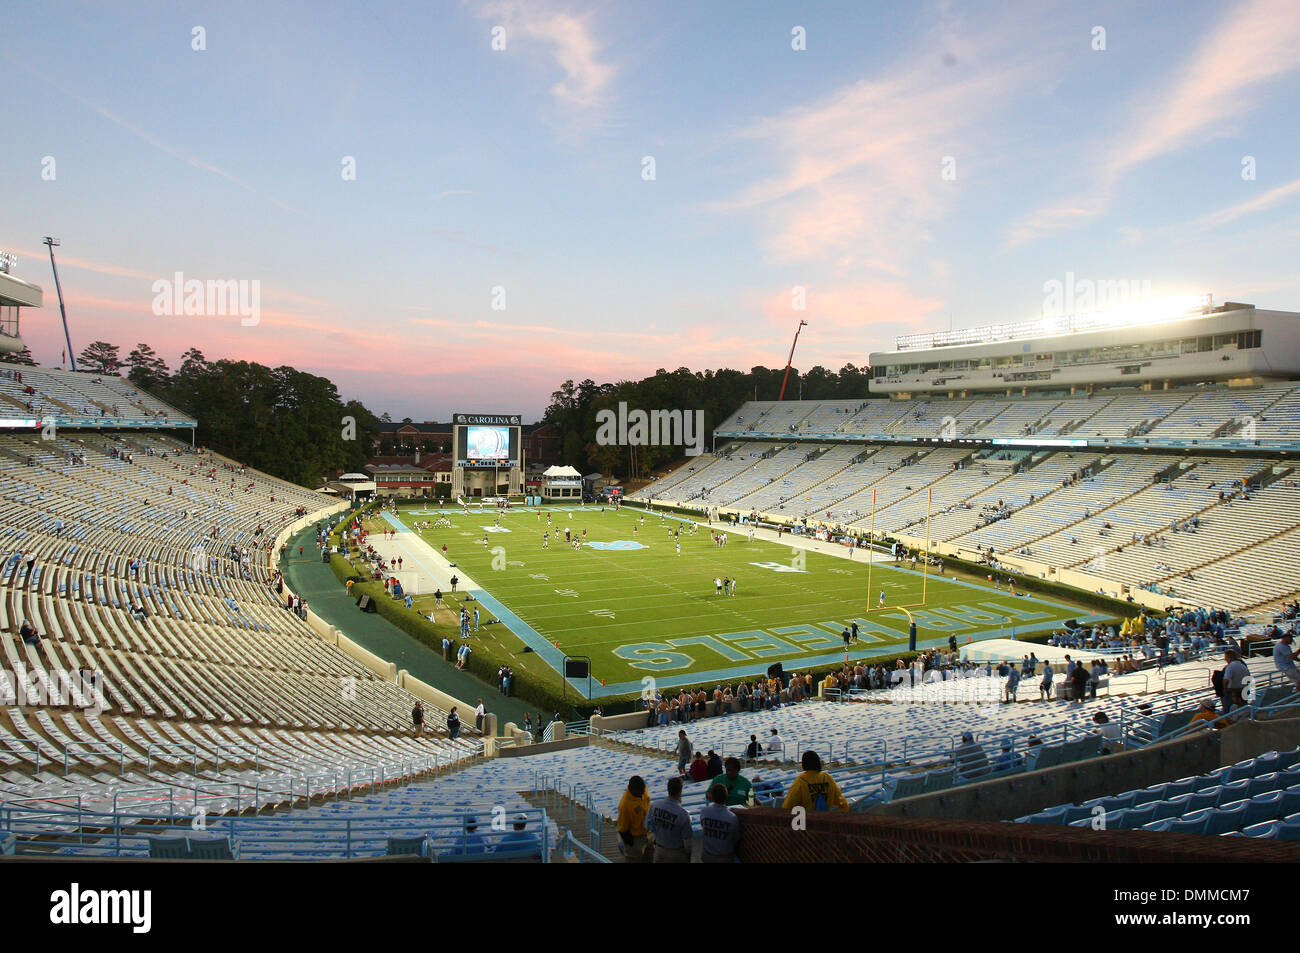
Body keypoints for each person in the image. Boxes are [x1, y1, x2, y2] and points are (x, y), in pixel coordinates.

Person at [782, 750, 850, 812]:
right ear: (818, 762)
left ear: (804, 764)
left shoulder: (800, 781)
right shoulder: (827, 777)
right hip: (826, 819)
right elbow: (841, 801)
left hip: (807, 821)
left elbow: (788, 805)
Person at [648, 776, 693, 863]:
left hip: (659, 849)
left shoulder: (655, 805)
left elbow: (647, 825)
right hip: (676, 853)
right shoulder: (683, 815)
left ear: (668, 789)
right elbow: (688, 843)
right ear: (680, 791)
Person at [699, 784, 741, 863]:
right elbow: (736, 838)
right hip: (724, 857)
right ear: (726, 797)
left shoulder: (704, 811)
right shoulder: (732, 818)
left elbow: (703, 826)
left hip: (707, 855)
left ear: (713, 797)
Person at [617, 775, 652, 862]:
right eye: (640, 792)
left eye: (643, 791)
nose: (642, 794)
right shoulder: (625, 805)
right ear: (632, 790)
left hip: (648, 834)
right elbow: (622, 830)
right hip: (635, 838)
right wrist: (631, 844)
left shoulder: (643, 790)